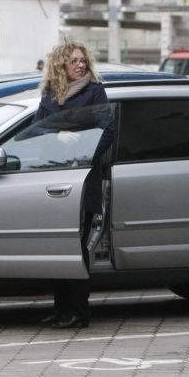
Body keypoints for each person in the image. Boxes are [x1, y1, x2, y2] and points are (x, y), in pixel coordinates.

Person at [34, 41, 113, 329]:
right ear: (61, 66)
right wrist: (58, 137)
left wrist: (82, 151)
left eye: (83, 60)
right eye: (74, 61)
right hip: (54, 176)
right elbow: (37, 127)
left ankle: (79, 312)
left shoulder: (95, 91)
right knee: (58, 247)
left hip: (83, 177)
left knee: (78, 248)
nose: (80, 65)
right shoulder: (49, 94)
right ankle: (60, 309)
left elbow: (108, 130)